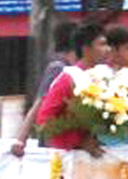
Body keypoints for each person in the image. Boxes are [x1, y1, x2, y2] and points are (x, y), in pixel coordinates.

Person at [33, 23, 112, 154]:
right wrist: (79, 141)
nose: (108, 49)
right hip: (68, 156)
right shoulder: (67, 79)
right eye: (102, 44)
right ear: (86, 49)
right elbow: (44, 121)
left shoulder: (105, 76)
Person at [11, 20, 79, 158]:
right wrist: (20, 139)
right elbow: (40, 102)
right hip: (55, 141)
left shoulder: (76, 68)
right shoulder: (58, 68)